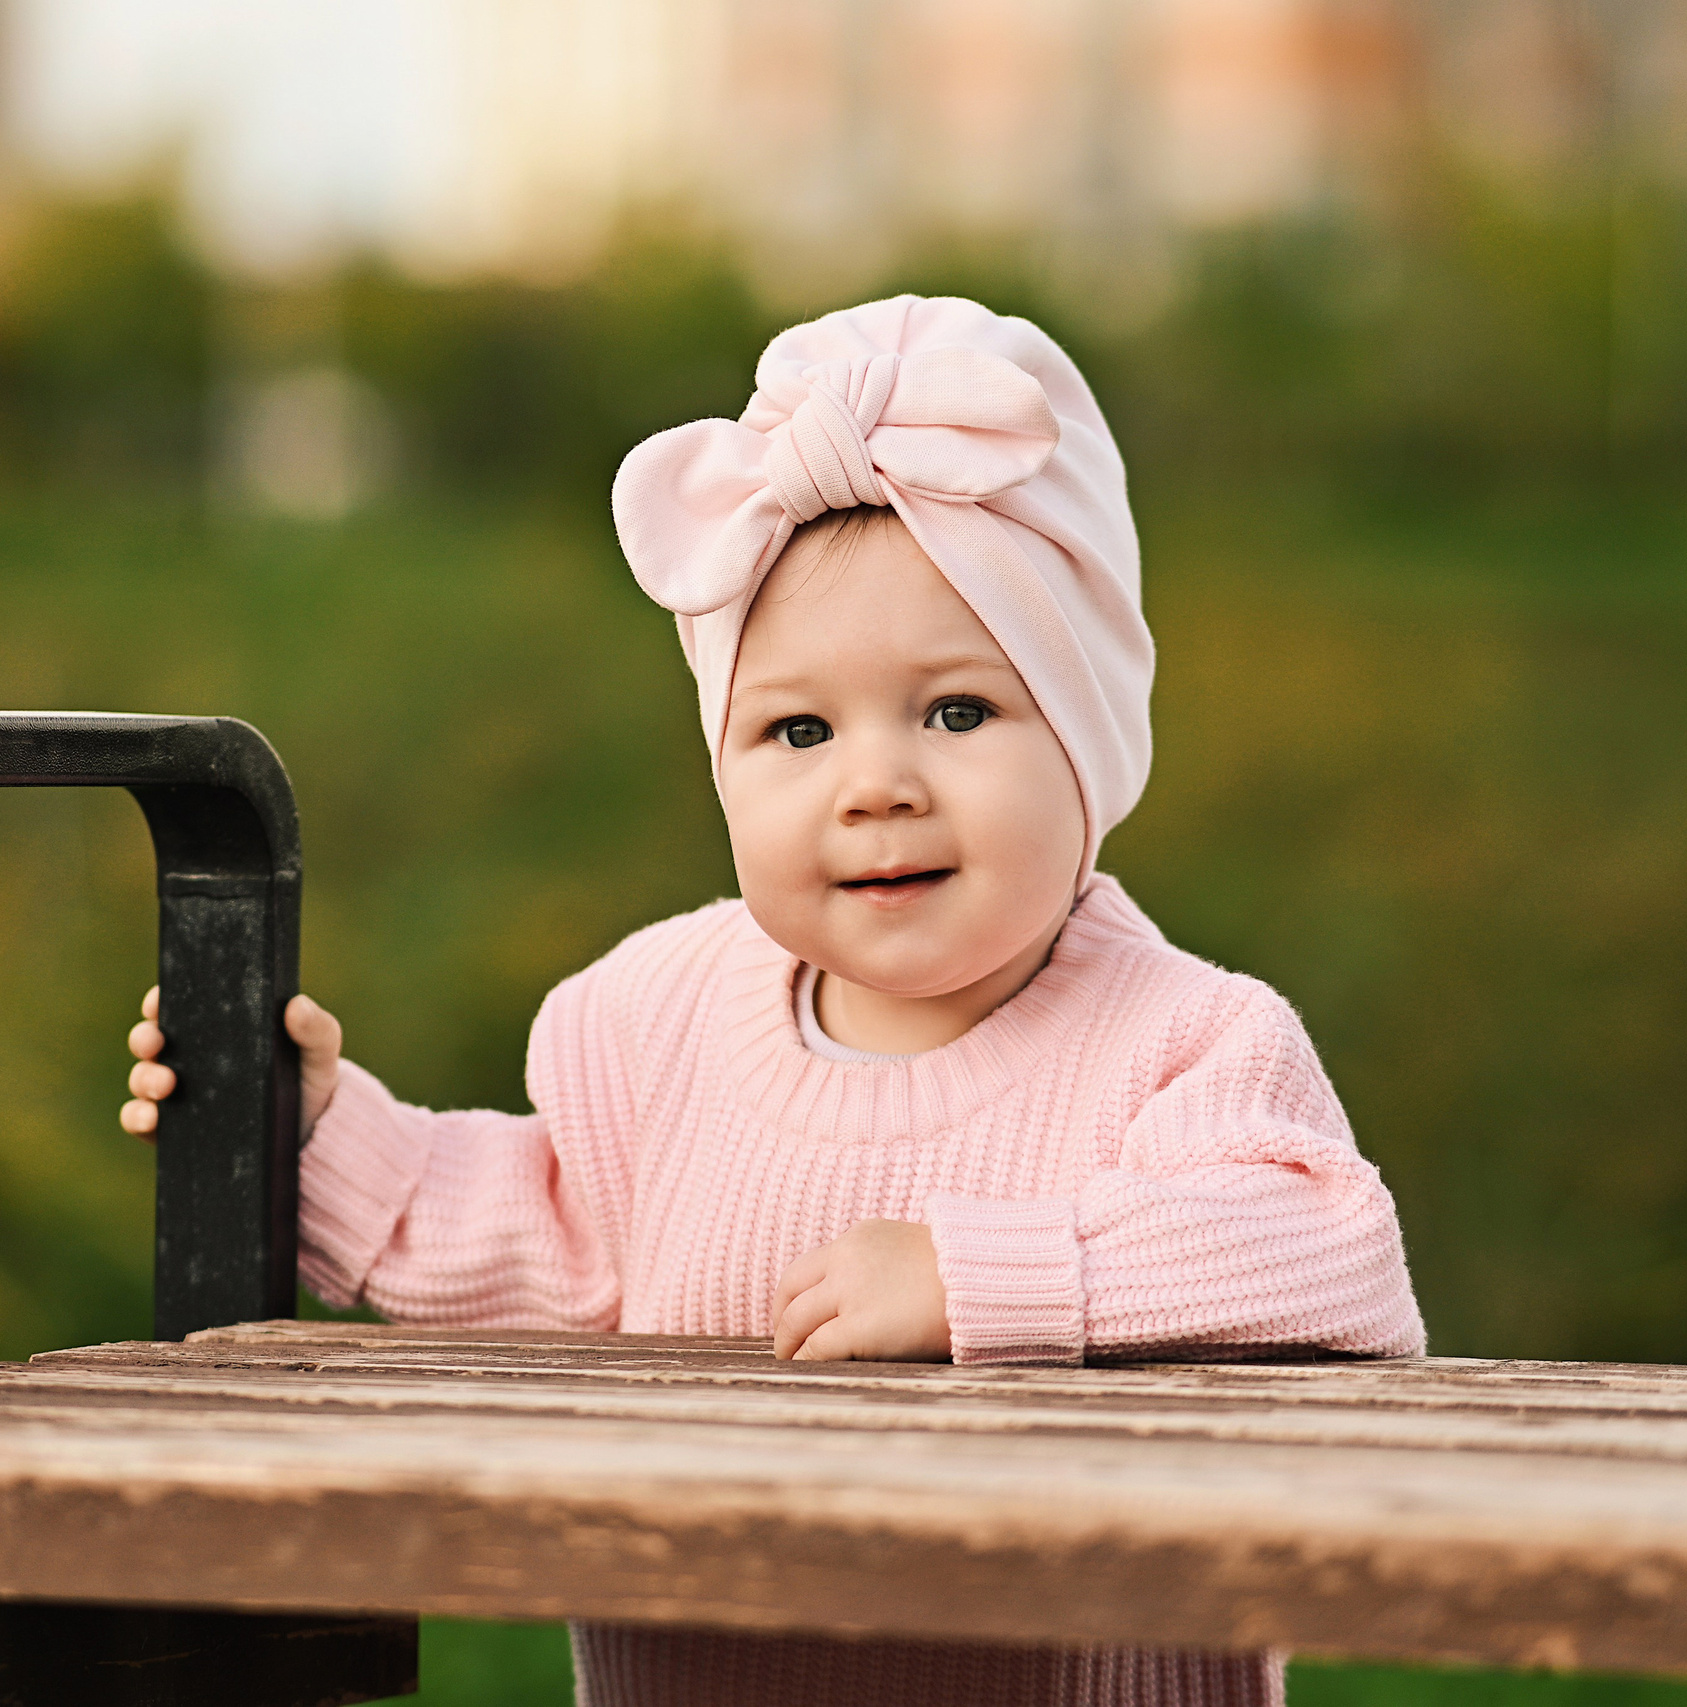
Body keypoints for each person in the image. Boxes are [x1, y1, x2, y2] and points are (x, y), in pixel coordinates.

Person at [120, 294, 1424, 1707]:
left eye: (960, 711)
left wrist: (983, 1279)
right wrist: (309, 1132)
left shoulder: (1183, 1044)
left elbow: (1323, 1252)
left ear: (1091, 738)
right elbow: (541, 1235)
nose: (877, 783)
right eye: (798, 729)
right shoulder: (665, 1022)